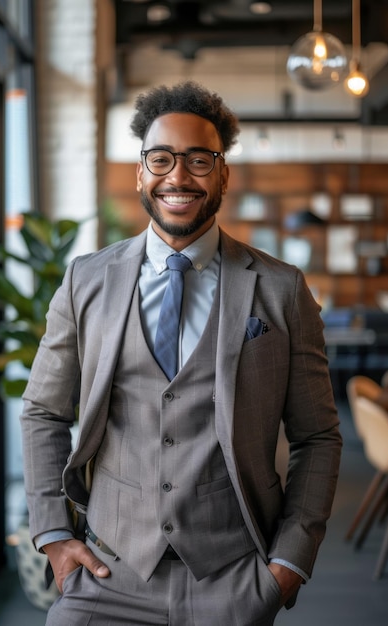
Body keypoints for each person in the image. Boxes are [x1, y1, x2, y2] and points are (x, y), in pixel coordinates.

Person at [20, 81, 342, 626]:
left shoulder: (281, 289)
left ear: (222, 174)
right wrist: (54, 535)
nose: (178, 175)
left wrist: (289, 562)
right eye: (162, 158)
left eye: (199, 160)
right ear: (140, 173)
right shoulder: (85, 282)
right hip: (106, 571)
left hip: (234, 575)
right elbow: (43, 412)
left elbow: (318, 436)